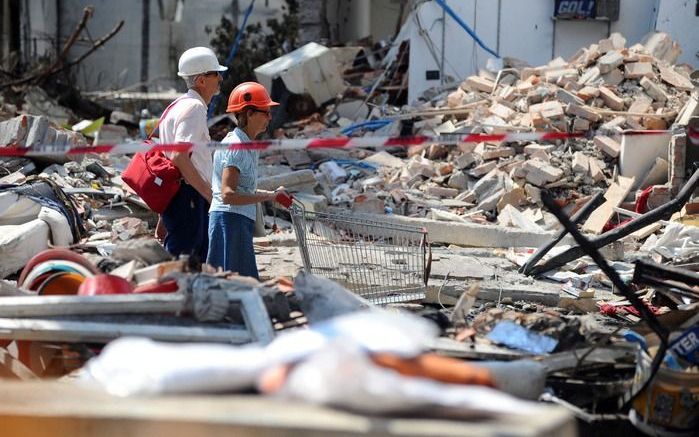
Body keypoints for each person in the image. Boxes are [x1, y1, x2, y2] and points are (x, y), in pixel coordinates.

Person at [207, 82, 286, 279]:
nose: (270, 117)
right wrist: (267, 197)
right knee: (236, 285)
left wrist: (272, 195)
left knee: (239, 284)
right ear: (248, 113)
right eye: (265, 112)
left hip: (237, 221)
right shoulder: (236, 146)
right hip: (229, 221)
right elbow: (229, 194)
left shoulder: (246, 144)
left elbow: (242, 188)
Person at [154, 47, 226, 260]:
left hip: (182, 195)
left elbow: (171, 161)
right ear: (201, 80)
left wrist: (163, 216)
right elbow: (179, 156)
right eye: (215, 74)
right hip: (189, 196)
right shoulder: (194, 108)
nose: (220, 78)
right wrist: (208, 195)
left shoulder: (177, 106)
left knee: (187, 259)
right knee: (185, 262)